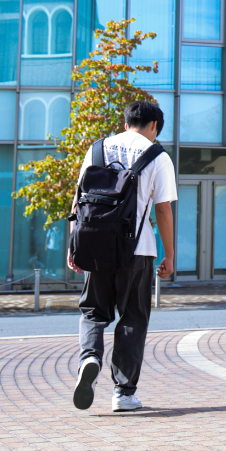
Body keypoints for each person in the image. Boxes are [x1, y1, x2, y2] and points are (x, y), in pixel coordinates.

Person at [69, 100, 176, 413]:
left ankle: (89, 357)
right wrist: (169, 255)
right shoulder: (157, 156)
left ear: (126, 120)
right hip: (138, 250)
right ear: (155, 125)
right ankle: (123, 393)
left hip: (94, 245)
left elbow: (79, 202)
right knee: (132, 318)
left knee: (92, 311)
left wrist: (72, 248)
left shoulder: (98, 149)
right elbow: (163, 209)